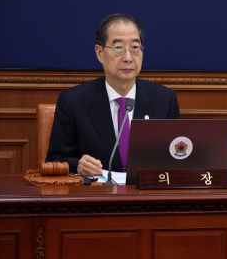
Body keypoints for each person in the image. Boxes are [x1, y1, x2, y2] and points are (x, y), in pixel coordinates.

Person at [46, 13, 181, 175]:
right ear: (100, 53)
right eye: (118, 48)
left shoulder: (165, 100)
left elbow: (179, 157)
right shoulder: (73, 102)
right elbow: (55, 160)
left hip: (146, 190)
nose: (128, 58)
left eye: (135, 48)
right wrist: (78, 166)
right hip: (98, 190)